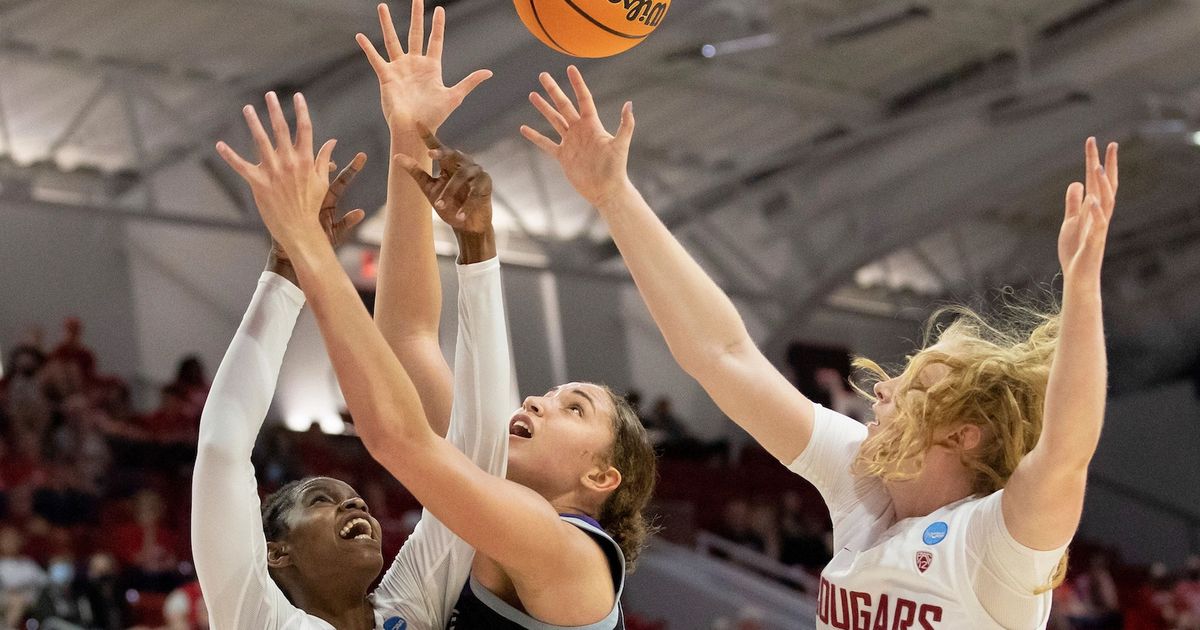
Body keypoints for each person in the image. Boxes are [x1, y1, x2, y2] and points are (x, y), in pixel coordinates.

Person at [520, 64, 1120, 628]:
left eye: (911, 388)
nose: (881, 387)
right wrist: (614, 197)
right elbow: (722, 354)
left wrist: (1085, 289)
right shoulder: (863, 483)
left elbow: (1067, 450)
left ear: (964, 434)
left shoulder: (996, 541)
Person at [217, 51, 656, 627]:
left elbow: (396, 435)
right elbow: (407, 341)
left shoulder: (571, 557)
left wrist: (307, 246)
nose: (536, 401)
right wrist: (410, 139)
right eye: (550, 394)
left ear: (600, 478)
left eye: (574, 408)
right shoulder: (482, 512)